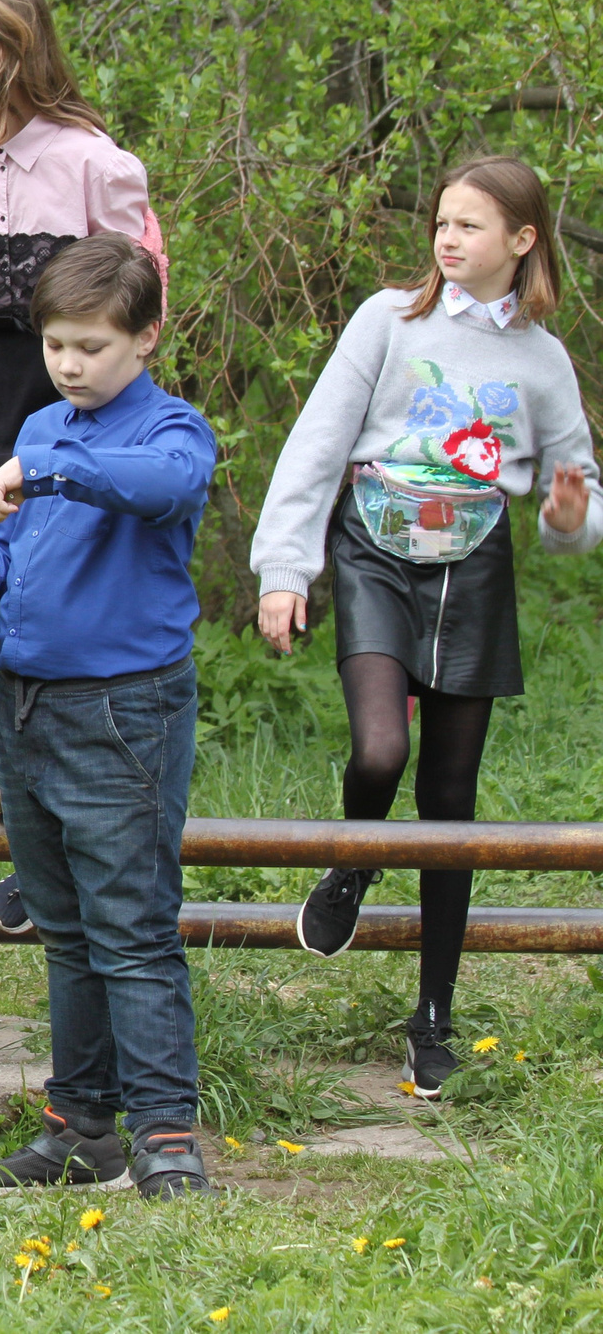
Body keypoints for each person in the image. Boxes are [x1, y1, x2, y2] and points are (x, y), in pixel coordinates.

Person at [251, 156, 599, 1096]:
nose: (446, 240)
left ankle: (432, 1015)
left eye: (470, 227)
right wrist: (286, 567)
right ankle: (353, 868)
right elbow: (317, 442)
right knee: (378, 751)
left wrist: (569, 517)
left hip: (476, 567)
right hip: (374, 549)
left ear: (522, 241)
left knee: (452, 798)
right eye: (441, 223)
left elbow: (578, 504)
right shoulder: (386, 320)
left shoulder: (542, 360)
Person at [0, 232, 216, 1199]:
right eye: (56, 346)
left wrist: (45, 476)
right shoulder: (41, 430)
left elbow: (161, 489)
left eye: (92, 347)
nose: (70, 365)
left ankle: (167, 1136)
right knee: (69, 932)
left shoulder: (171, 433)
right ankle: (80, 1130)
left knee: (133, 930)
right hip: (26, 710)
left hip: (126, 713)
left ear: (146, 338)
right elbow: (23, 575)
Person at [0, 0, 164, 937]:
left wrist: (103, 426)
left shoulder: (92, 160)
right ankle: (29, 816)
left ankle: (60, 821)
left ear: (8, 45)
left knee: (62, 616)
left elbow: (144, 303)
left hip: (81, 410)